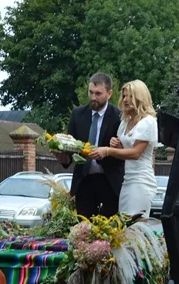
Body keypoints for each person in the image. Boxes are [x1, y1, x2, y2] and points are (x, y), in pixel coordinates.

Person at [58, 72, 124, 218]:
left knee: (110, 231)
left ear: (109, 93)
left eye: (98, 93)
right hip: (84, 181)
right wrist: (63, 157)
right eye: (91, 92)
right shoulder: (77, 114)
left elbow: (124, 153)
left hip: (109, 180)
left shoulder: (118, 116)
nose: (93, 98)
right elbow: (71, 147)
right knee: (84, 229)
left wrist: (114, 148)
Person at [89, 79, 158, 218]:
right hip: (127, 179)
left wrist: (108, 150)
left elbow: (136, 153)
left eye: (130, 96)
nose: (125, 100)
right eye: (124, 96)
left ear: (140, 97)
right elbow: (125, 152)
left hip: (141, 180)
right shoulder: (125, 122)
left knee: (135, 226)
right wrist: (118, 145)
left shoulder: (148, 121)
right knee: (124, 226)